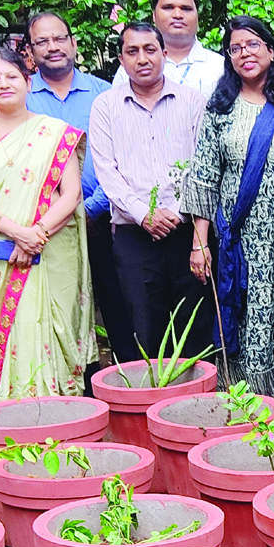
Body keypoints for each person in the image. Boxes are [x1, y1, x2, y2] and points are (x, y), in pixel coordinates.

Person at [185, 16, 274, 422]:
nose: (244, 54)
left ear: (270, 48)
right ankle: (251, 407)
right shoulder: (219, 107)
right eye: (235, 48)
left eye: (252, 45)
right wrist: (200, 242)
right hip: (240, 238)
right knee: (246, 314)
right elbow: (204, 175)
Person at [0, 48, 97, 398]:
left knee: (54, 320)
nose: (4, 84)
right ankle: (17, 403)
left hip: (50, 245)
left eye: (11, 76)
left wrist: (37, 234)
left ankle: (62, 402)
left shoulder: (54, 132)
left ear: (27, 82)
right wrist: (18, 232)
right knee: (11, 323)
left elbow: (71, 193)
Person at [89, 22, 210, 359]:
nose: (142, 58)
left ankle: (193, 406)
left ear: (164, 54)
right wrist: (145, 215)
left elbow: (204, 166)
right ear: (121, 59)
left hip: (186, 232)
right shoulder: (105, 107)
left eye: (150, 49)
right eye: (132, 51)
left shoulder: (193, 101)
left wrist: (178, 210)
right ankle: (149, 406)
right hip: (133, 235)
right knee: (144, 327)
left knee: (193, 327)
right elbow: (107, 173)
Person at [24, 11, 129, 366]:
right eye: (42, 41)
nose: (52, 47)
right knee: (59, 305)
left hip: (102, 218)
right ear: (30, 51)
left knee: (117, 303)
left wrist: (90, 208)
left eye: (58, 39)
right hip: (46, 227)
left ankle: (127, 380)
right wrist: (53, 216)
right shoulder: (21, 98)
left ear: (74, 43)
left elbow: (119, 158)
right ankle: (72, 384)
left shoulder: (105, 93)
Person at [113, 0, 223, 98]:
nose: (177, 15)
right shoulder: (131, 67)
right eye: (168, 7)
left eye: (186, 8)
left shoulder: (220, 67)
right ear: (154, 15)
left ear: (198, 16)